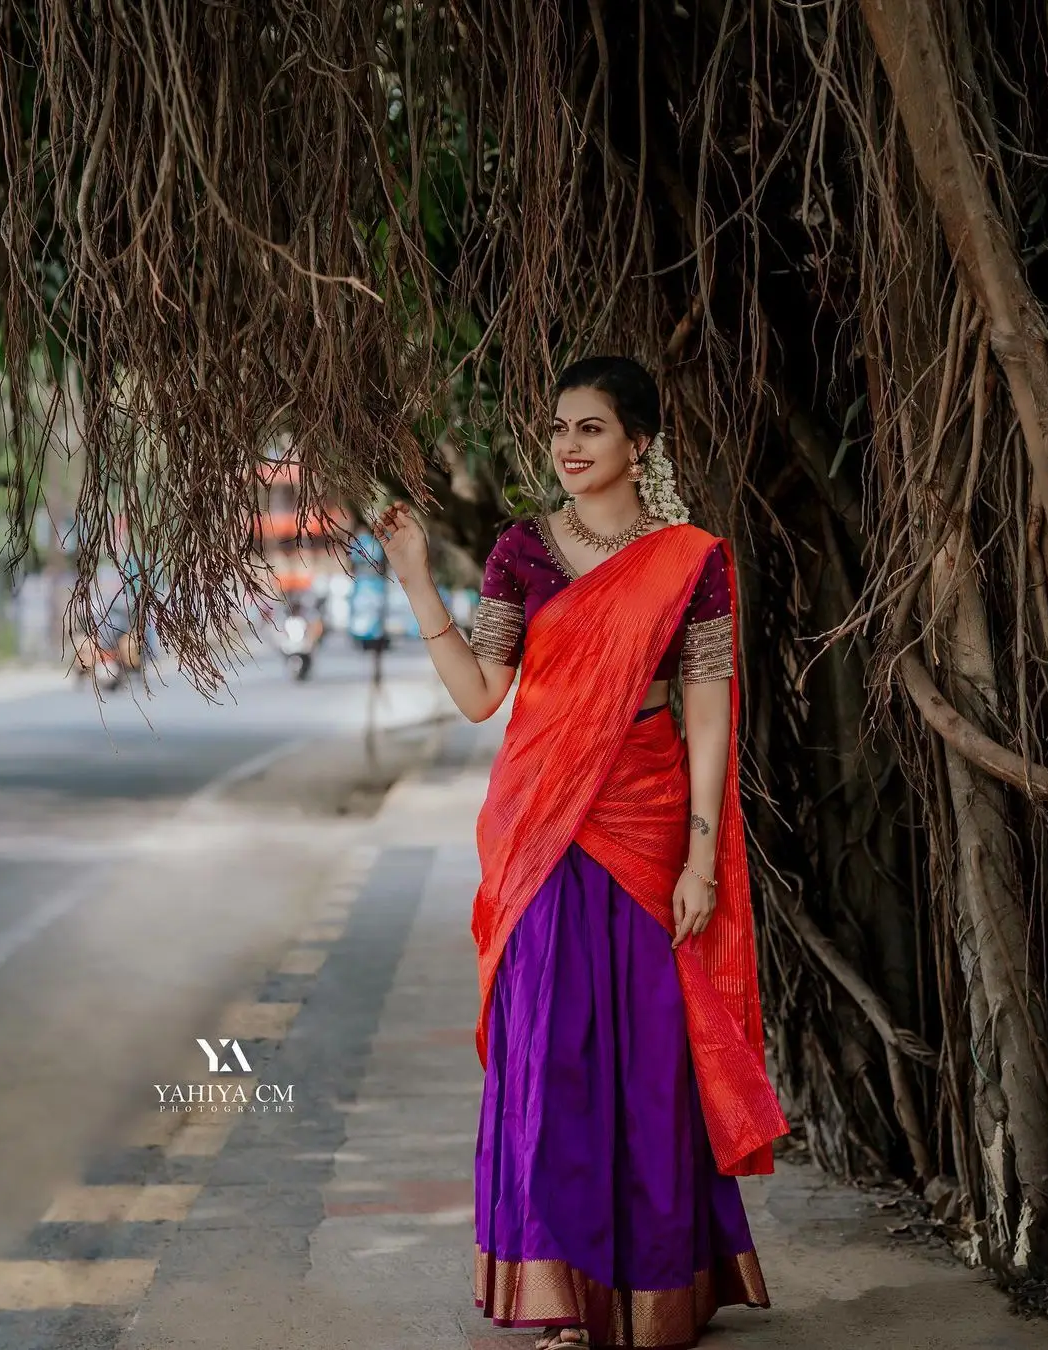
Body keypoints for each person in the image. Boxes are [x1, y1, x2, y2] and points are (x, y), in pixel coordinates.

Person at [372, 355, 788, 1350]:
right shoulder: (522, 550)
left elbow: (706, 711)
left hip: (649, 829)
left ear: (638, 442)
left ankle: (655, 1291)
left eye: (592, 427)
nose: (567, 443)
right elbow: (482, 697)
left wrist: (699, 859)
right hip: (542, 833)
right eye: (560, 426)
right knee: (550, 1061)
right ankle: (564, 1302)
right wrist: (419, 577)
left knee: (651, 1064)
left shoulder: (692, 559)